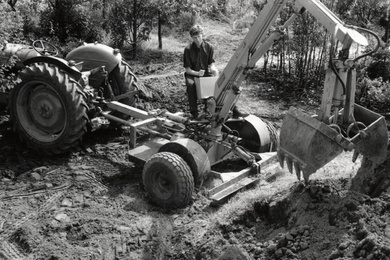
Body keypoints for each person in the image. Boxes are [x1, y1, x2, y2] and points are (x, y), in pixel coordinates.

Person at [183, 25, 218, 119]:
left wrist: (214, 70)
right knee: (191, 84)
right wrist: (197, 74)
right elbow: (188, 69)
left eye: (199, 36)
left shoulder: (209, 47)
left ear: (202, 35)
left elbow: (211, 64)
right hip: (192, 74)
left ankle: (210, 110)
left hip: (205, 73)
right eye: (195, 38)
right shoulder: (188, 49)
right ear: (192, 38)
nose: (197, 39)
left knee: (213, 83)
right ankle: (194, 112)